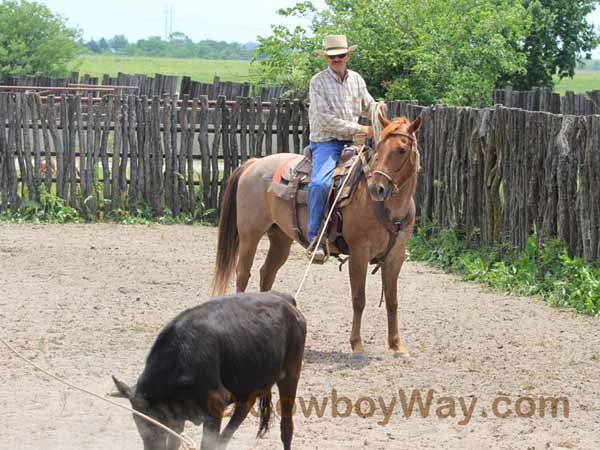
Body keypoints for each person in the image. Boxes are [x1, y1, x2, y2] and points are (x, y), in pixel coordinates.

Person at [307, 34, 385, 262]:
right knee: (320, 183)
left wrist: (378, 110)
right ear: (326, 58)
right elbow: (325, 119)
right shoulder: (318, 82)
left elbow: (368, 104)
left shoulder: (357, 80)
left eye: (340, 55)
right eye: (331, 56)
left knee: (381, 178)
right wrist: (362, 128)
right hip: (327, 142)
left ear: (347, 55)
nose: (336, 59)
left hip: (354, 143)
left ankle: (383, 238)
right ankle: (315, 238)